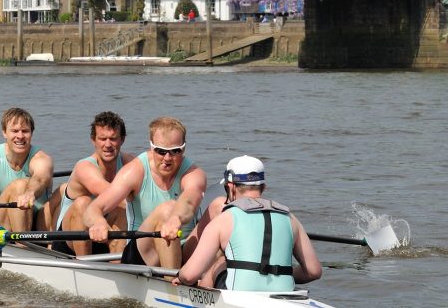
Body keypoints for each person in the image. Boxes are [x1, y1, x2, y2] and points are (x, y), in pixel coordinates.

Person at [174, 156, 322, 292]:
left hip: (237, 297)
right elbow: (314, 271)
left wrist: (180, 278)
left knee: (219, 263)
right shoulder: (290, 218)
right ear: (263, 187)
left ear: (230, 187)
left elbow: (189, 275)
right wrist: (283, 273)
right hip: (284, 295)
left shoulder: (224, 219)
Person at [83, 116, 206, 269]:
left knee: (218, 206)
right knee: (167, 209)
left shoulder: (194, 173)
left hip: (185, 248)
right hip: (143, 254)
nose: (167, 158)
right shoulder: (134, 171)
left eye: (175, 151)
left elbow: (190, 199)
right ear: (152, 147)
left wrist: (176, 218)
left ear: (184, 148)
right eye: (161, 151)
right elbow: (92, 209)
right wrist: (98, 222)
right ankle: (172, 282)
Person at [0, 107, 59, 232]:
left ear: (31, 133)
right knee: (19, 185)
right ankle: (21, 242)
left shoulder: (42, 158)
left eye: (25, 131)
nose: (20, 136)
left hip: (39, 219)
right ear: (4, 132)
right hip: (3, 220)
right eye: (14, 131)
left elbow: (40, 179)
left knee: (65, 189)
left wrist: (30, 193)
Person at [56, 111, 135, 255]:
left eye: (113, 139)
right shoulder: (85, 167)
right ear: (93, 140)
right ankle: (84, 264)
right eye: (102, 139)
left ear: (122, 139)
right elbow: (112, 196)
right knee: (83, 203)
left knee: (122, 211)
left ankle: (118, 263)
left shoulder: (130, 163)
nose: (108, 144)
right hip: (70, 240)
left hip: (106, 232)